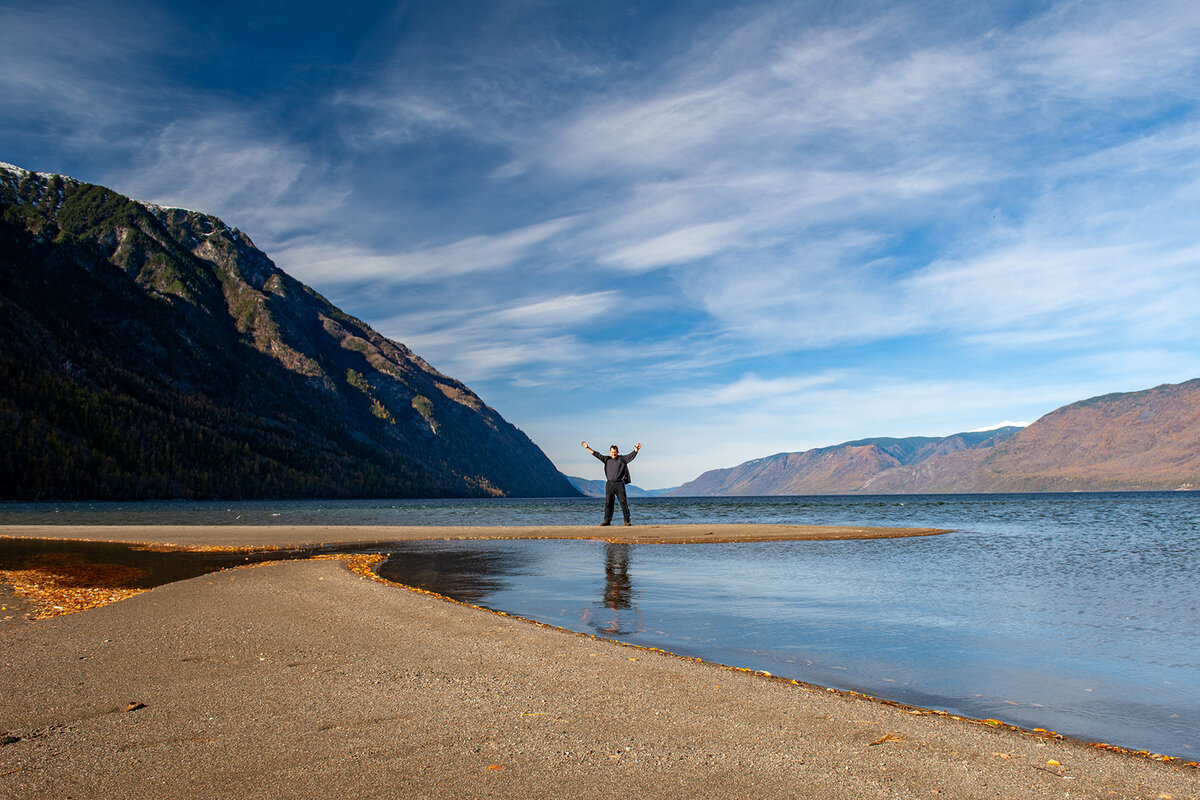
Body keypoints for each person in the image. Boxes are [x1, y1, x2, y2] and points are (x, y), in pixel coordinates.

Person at [581, 441, 642, 526]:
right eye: (612, 452)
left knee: (623, 502)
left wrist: (636, 450)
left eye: (615, 452)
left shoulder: (622, 459)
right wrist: (587, 447)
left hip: (619, 484)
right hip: (609, 484)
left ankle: (627, 521)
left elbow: (630, 456)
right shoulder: (607, 459)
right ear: (610, 452)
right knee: (608, 503)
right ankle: (607, 521)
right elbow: (596, 454)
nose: (614, 454)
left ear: (618, 452)